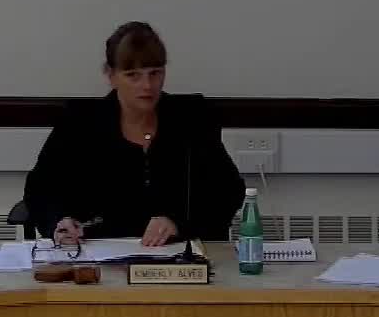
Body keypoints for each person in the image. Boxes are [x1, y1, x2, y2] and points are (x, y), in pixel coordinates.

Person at [24, 22, 244, 247]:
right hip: (98, 255)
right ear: (111, 75)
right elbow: (40, 190)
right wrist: (59, 222)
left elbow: (229, 191)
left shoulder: (190, 118)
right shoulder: (78, 123)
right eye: (133, 75)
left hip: (177, 253)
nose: (147, 85)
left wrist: (179, 224)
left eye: (155, 73)